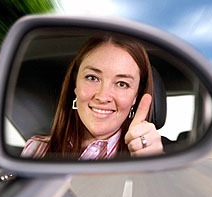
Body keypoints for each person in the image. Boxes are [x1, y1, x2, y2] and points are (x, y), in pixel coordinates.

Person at [21, 33, 163, 160]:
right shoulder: (36, 150)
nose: (102, 97)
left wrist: (153, 167)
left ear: (135, 97)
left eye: (121, 84)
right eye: (92, 77)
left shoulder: (151, 158)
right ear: (75, 83)